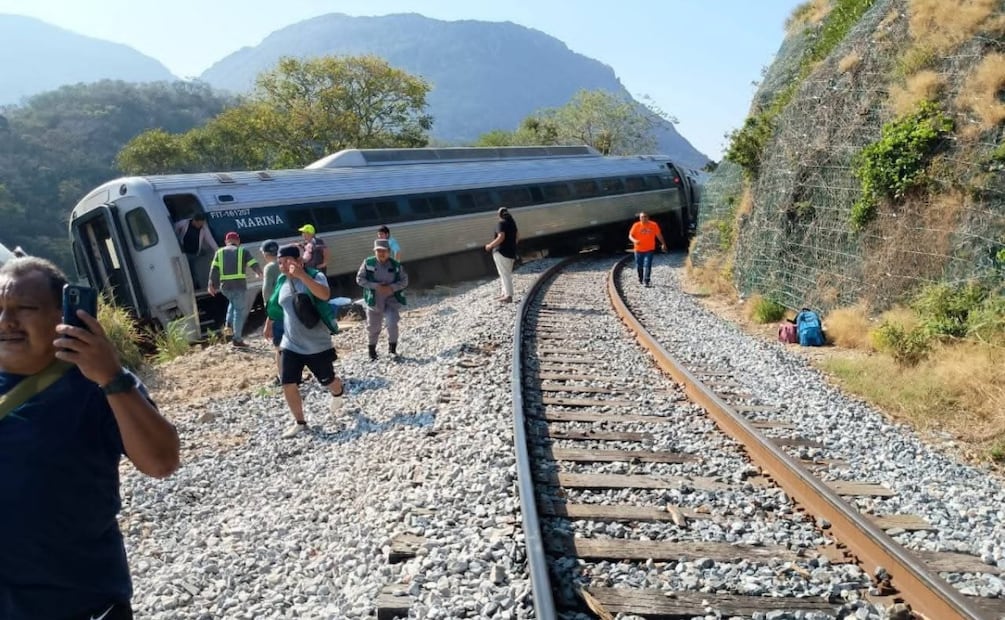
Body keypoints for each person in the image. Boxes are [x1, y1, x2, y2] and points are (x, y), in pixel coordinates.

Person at [0, 256, 180, 620]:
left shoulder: (96, 383)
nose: (6, 322)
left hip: (81, 606)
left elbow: (161, 462)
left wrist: (111, 377)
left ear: (64, 316)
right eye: (0, 309)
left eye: (25, 309)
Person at [264, 244, 344, 439]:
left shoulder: (315, 276)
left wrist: (302, 276)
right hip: (290, 343)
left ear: (299, 261)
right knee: (287, 382)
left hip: (317, 344)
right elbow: (276, 305)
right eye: (280, 262)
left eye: (286, 262)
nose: (282, 266)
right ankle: (300, 422)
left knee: (328, 381)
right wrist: (268, 323)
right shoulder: (282, 280)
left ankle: (338, 392)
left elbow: (324, 295)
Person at [356, 239, 409, 361]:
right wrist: (376, 286)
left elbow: (404, 281)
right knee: (373, 327)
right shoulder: (368, 263)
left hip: (391, 300)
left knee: (392, 323)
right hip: (374, 300)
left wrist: (392, 288)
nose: (381, 253)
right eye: (378, 251)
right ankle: (372, 352)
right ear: (374, 252)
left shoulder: (396, 265)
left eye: (384, 251)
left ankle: (392, 350)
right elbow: (360, 279)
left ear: (389, 252)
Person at [208, 232, 262, 348]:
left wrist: (211, 284)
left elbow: (214, 269)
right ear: (238, 241)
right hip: (239, 285)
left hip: (225, 287)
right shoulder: (243, 251)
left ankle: (228, 324)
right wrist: (258, 272)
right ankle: (237, 339)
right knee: (239, 311)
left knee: (232, 303)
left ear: (226, 241)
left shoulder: (219, 252)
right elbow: (253, 263)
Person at [173, 213, 218, 290]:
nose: (200, 226)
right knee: (184, 271)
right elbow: (174, 228)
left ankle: (195, 287)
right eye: (199, 224)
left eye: (202, 223)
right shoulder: (184, 223)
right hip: (184, 253)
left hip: (194, 254)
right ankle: (187, 287)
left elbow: (210, 240)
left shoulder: (203, 228)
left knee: (193, 271)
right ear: (194, 221)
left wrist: (218, 250)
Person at [260, 239, 283, 384]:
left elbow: (267, 292)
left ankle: (283, 377)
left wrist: (269, 317)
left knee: (280, 347)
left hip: (278, 311)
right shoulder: (285, 263)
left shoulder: (270, 267)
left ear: (265, 253)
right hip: (291, 308)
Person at [484, 207, 519, 303]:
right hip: (511, 253)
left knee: (504, 274)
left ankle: (508, 296)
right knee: (504, 273)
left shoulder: (501, 224)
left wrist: (490, 246)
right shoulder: (512, 224)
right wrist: (511, 246)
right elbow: (517, 238)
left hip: (501, 252)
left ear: (499, 215)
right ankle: (504, 293)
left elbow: (501, 236)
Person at [628, 211, 667, 288]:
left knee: (647, 264)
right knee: (639, 265)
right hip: (638, 249)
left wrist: (663, 244)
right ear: (640, 218)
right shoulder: (636, 225)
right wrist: (635, 241)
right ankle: (640, 278)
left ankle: (646, 280)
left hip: (649, 249)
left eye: (645, 216)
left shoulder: (653, 225)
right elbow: (630, 236)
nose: (643, 218)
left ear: (648, 217)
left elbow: (658, 235)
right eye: (642, 217)